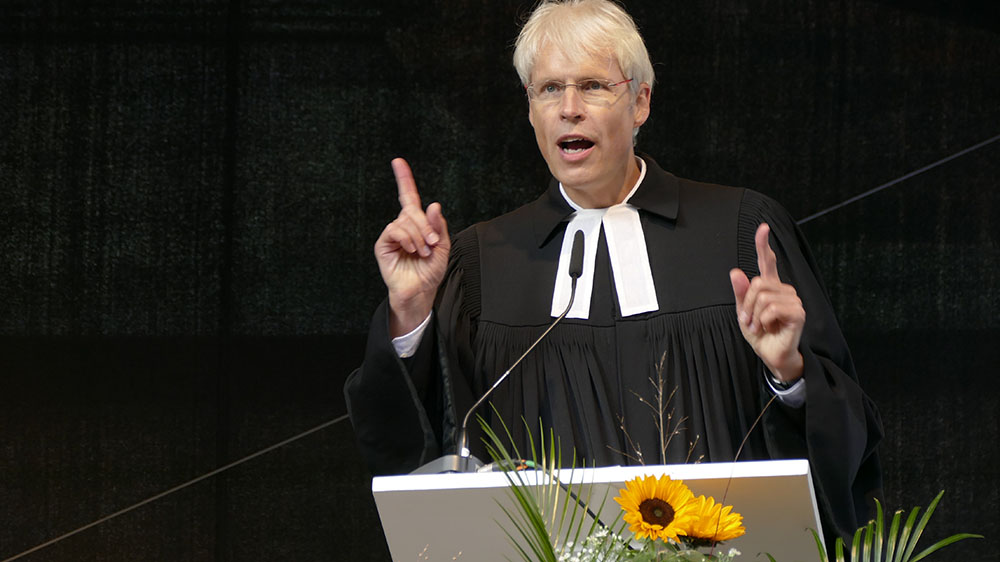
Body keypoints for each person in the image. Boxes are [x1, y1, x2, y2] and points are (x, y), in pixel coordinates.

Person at [344, 0, 882, 548]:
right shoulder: (480, 261)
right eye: (549, 89)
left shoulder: (744, 233)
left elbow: (846, 438)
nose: (569, 109)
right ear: (530, 110)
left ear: (640, 101)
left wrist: (788, 373)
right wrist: (410, 314)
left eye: (594, 86)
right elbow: (411, 456)